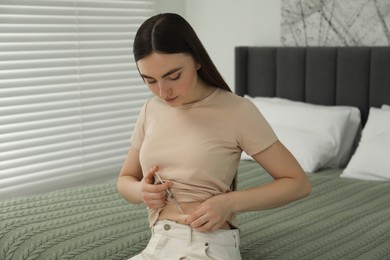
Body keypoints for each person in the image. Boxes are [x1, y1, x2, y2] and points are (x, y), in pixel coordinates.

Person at [117, 13, 311, 260]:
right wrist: (141, 192)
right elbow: (125, 180)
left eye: (173, 76)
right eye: (150, 80)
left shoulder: (236, 111)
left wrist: (229, 203)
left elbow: (298, 183)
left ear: (197, 60)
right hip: (158, 244)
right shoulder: (151, 109)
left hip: (207, 246)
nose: (162, 91)